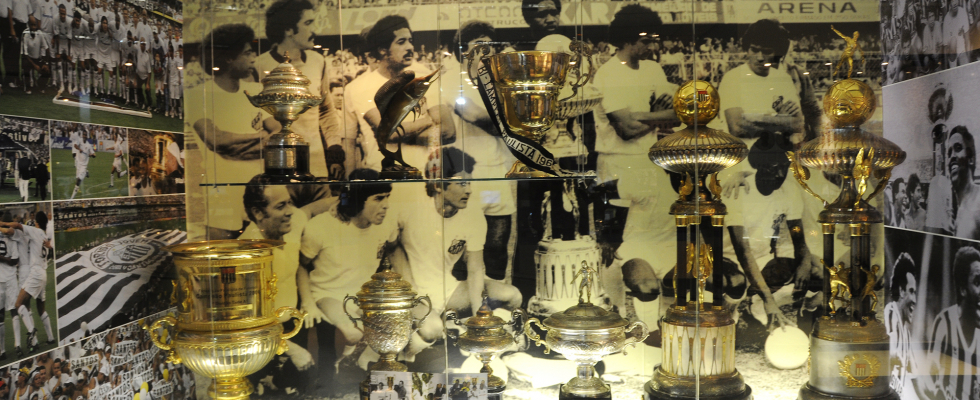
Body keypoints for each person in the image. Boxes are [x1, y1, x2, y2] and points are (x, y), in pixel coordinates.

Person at [390, 148, 522, 345]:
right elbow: (390, 247)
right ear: (438, 185)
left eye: (469, 183)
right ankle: (439, 326)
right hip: (410, 293)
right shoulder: (409, 207)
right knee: (431, 330)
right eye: (461, 183)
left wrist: (480, 317)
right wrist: (411, 292)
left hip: (447, 290)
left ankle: (457, 325)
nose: (468, 189)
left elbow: (475, 270)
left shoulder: (473, 215)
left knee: (512, 296)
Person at [184, 23, 278, 240]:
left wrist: (243, 144)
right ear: (228, 58)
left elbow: (278, 129)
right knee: (224, 258)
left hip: (259, 193)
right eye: (247, 53)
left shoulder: (255, 90)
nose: (254, 58)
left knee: (261, 257)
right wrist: (260, 138)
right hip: (223, 193)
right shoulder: (200, 95)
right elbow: (217, 139)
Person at [297, 169, 395, 372]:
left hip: (361, 295)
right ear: (358, 199)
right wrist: (307, 302)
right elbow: (301, 265)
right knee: (353, 333)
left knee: (392, 329)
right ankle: (342, 364)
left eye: (387, 197)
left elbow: (390, 252)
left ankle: (353, 363)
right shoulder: (322, 226)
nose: (385, 205)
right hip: (327, 294)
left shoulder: (385, 226)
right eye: (378, 198)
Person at [444, 20, 516, 281]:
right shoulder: (452, 79)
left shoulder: (501, 79)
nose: (485, 53)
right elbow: (475, 115)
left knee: (497, 245)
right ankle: (463, 308)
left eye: (489, 47)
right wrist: (512, 122)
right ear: (462, 51)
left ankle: (495, 306)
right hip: (467, 175)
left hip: (497, 173)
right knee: (464, 246)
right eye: (478, 47)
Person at [345, 15, 453, 172]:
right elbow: (388, 133)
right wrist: (427, 122)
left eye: (410, 40)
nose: (410, 47)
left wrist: (402, 133)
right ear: (382, 49)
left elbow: (449, 131)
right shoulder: (360, 87)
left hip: (425, 177)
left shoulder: (425, 79)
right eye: (401, 42)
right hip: (383, 180)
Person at [239, 175, 313, 392]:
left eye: (290, 202)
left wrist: (307, 300)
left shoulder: (289, 223)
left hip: (292, 326)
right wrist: (291, 349)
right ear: (258, 213)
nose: (290, 210)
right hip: (262, 341)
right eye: (281, 206)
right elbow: (248, 321)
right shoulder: (247, 253)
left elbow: (295, 264)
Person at [256, 0, 341, 179]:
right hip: (277, 169)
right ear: (288, 30)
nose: (314, 30)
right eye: (308, 23)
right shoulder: (259, 66)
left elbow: (326, 110)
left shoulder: (318, 61)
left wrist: (334, 151)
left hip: (317, 168)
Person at [923, 245, 980, 400]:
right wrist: (937, 388)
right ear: (962, 289)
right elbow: (928, 375)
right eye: (977, 282)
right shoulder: (945, 322)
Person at [2, 211, 53, 354]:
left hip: (27, 271)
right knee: (40, 306)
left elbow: (9, 230)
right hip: (41, 270)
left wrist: (2, 225)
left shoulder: (22, 234)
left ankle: (33, 338)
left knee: (23, 306)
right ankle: (50, 337)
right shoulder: (41, 236)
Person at [884, 252, 918, 396]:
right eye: (911, 291)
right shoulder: (891, 314)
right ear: (901, 290)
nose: (915, 299)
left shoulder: (906, 333)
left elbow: (912, 378)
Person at [947, 126, 980, 240]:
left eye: (958, 148)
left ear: (970, 157)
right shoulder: (951, 209)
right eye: (949, 153)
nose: (951, 157)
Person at [0, 217, 20, 359]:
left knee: (12, 311)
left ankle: (16, 345)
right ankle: (3, 350)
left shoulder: (12, 237)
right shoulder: (12, 238)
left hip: (9, 278)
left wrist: (1, 258)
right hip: (6, 279)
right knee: (8, 313)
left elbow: (14, 261)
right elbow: (14, 260)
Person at [20, 18, 51, 95]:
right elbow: (25, 54)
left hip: (37, 58)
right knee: (26, 64)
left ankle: (40, 85)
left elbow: (47, 48)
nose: (33, 27)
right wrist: (35, 66)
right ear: (29, 25)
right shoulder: (25, 35)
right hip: (28, 59)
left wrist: (46, 63)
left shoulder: (40, 33)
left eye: (35, 25)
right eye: (32, 25)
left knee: (47, 70)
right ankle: (28, 86)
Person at [69, 131, 94, 199]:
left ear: (87, 136)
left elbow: (94, 154)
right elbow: (75, 145)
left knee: (78, 181)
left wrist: (91, 154)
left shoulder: (89, 145)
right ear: (82, 135)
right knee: (77, 178)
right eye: (84, 135)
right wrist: (79, 149)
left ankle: (71, 198)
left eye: (86, 135)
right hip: (78, 163)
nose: (85, 136)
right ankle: (85, 173)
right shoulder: (79, 140)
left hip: (84, 166)